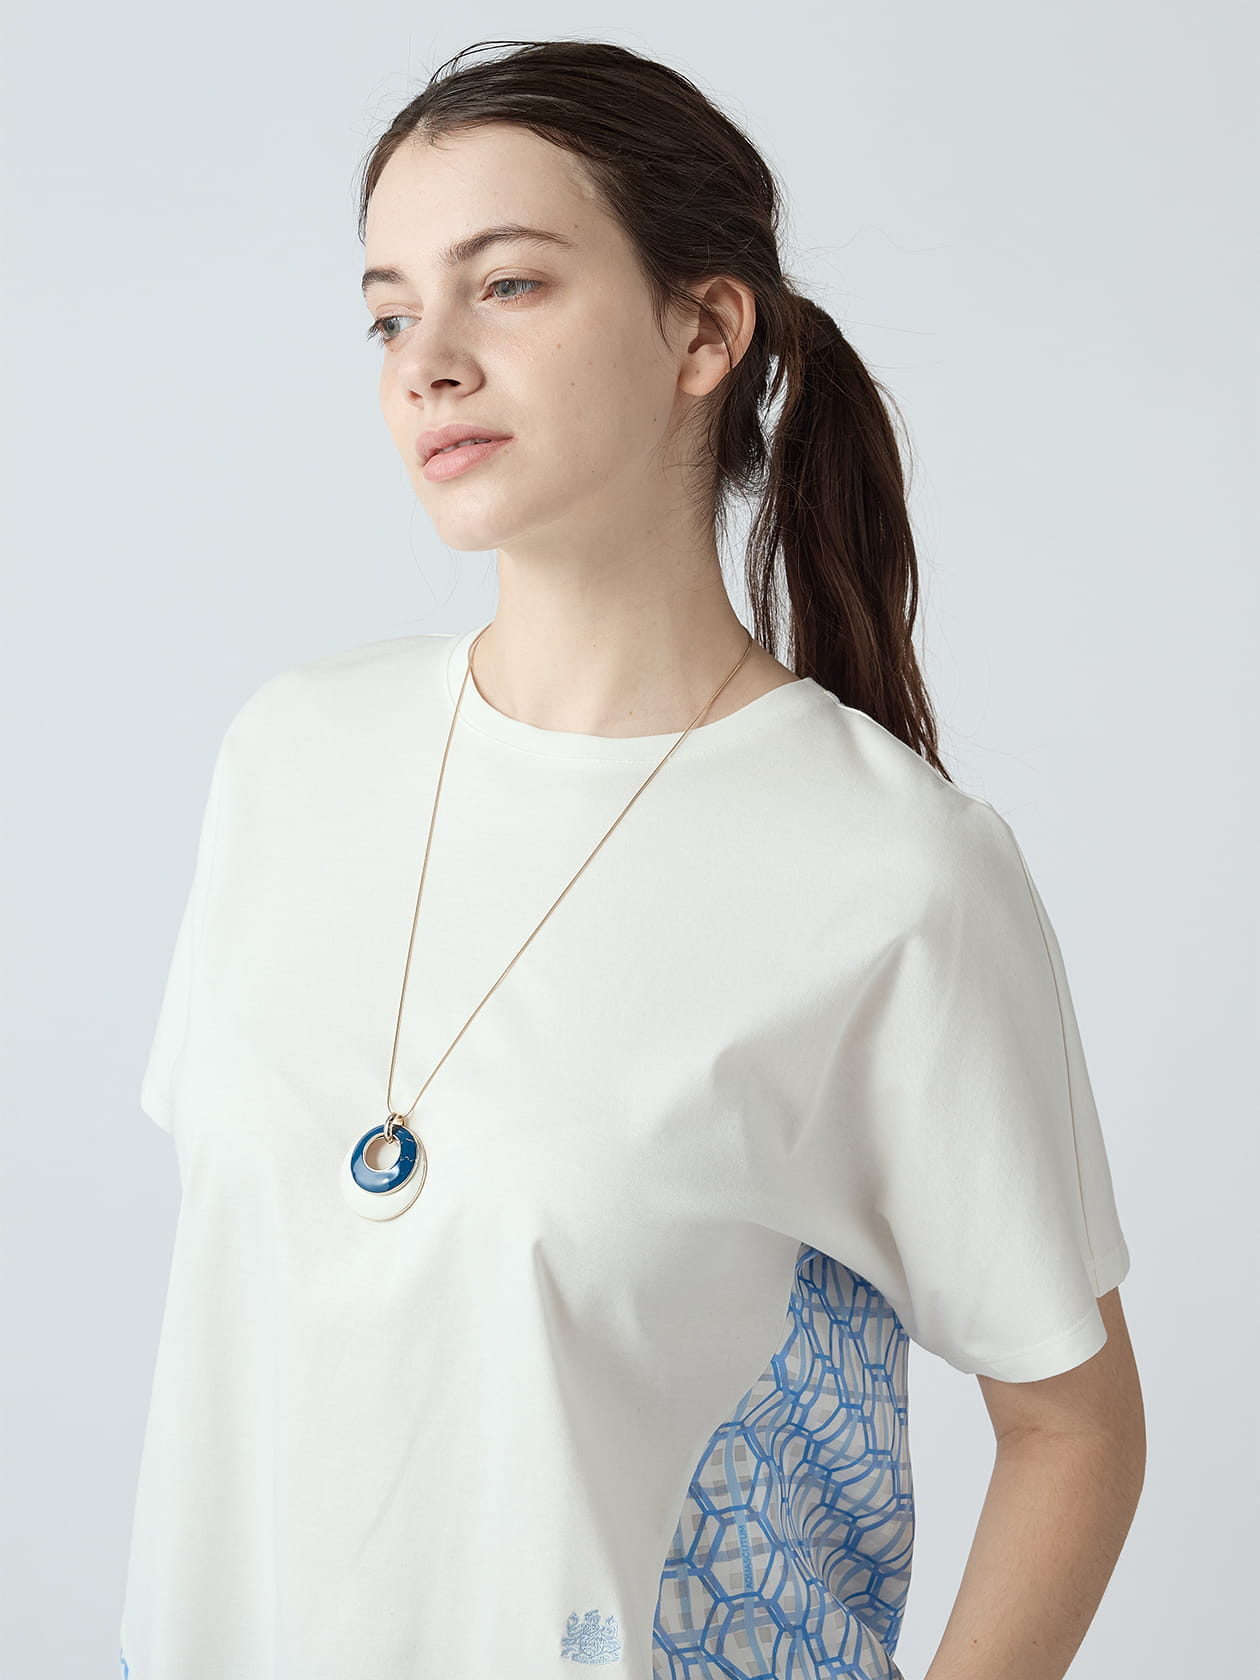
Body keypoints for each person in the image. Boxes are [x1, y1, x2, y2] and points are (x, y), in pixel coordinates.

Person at [118, 38, 1144, 1680]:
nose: (428, 364)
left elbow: (1075, 1428)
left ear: (705, 331)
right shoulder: (289, 760)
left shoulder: (894, 874)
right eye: (389, 314)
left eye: (506, 286)